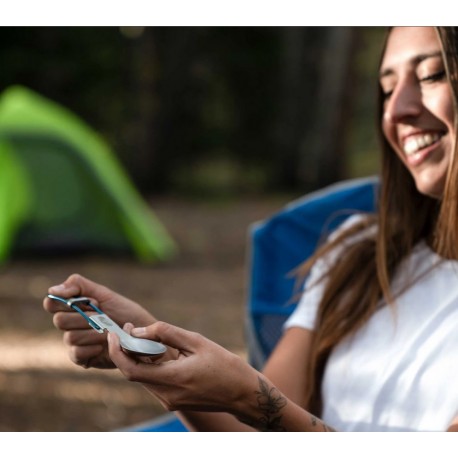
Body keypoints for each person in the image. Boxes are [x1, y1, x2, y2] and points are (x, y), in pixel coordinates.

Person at [43, 26, 458, 432]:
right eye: (386, 88)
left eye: (430, 74)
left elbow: (264, 409)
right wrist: (162, 356)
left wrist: (246, 395)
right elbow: (258, 431)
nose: (396, 109)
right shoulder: (358, 251)